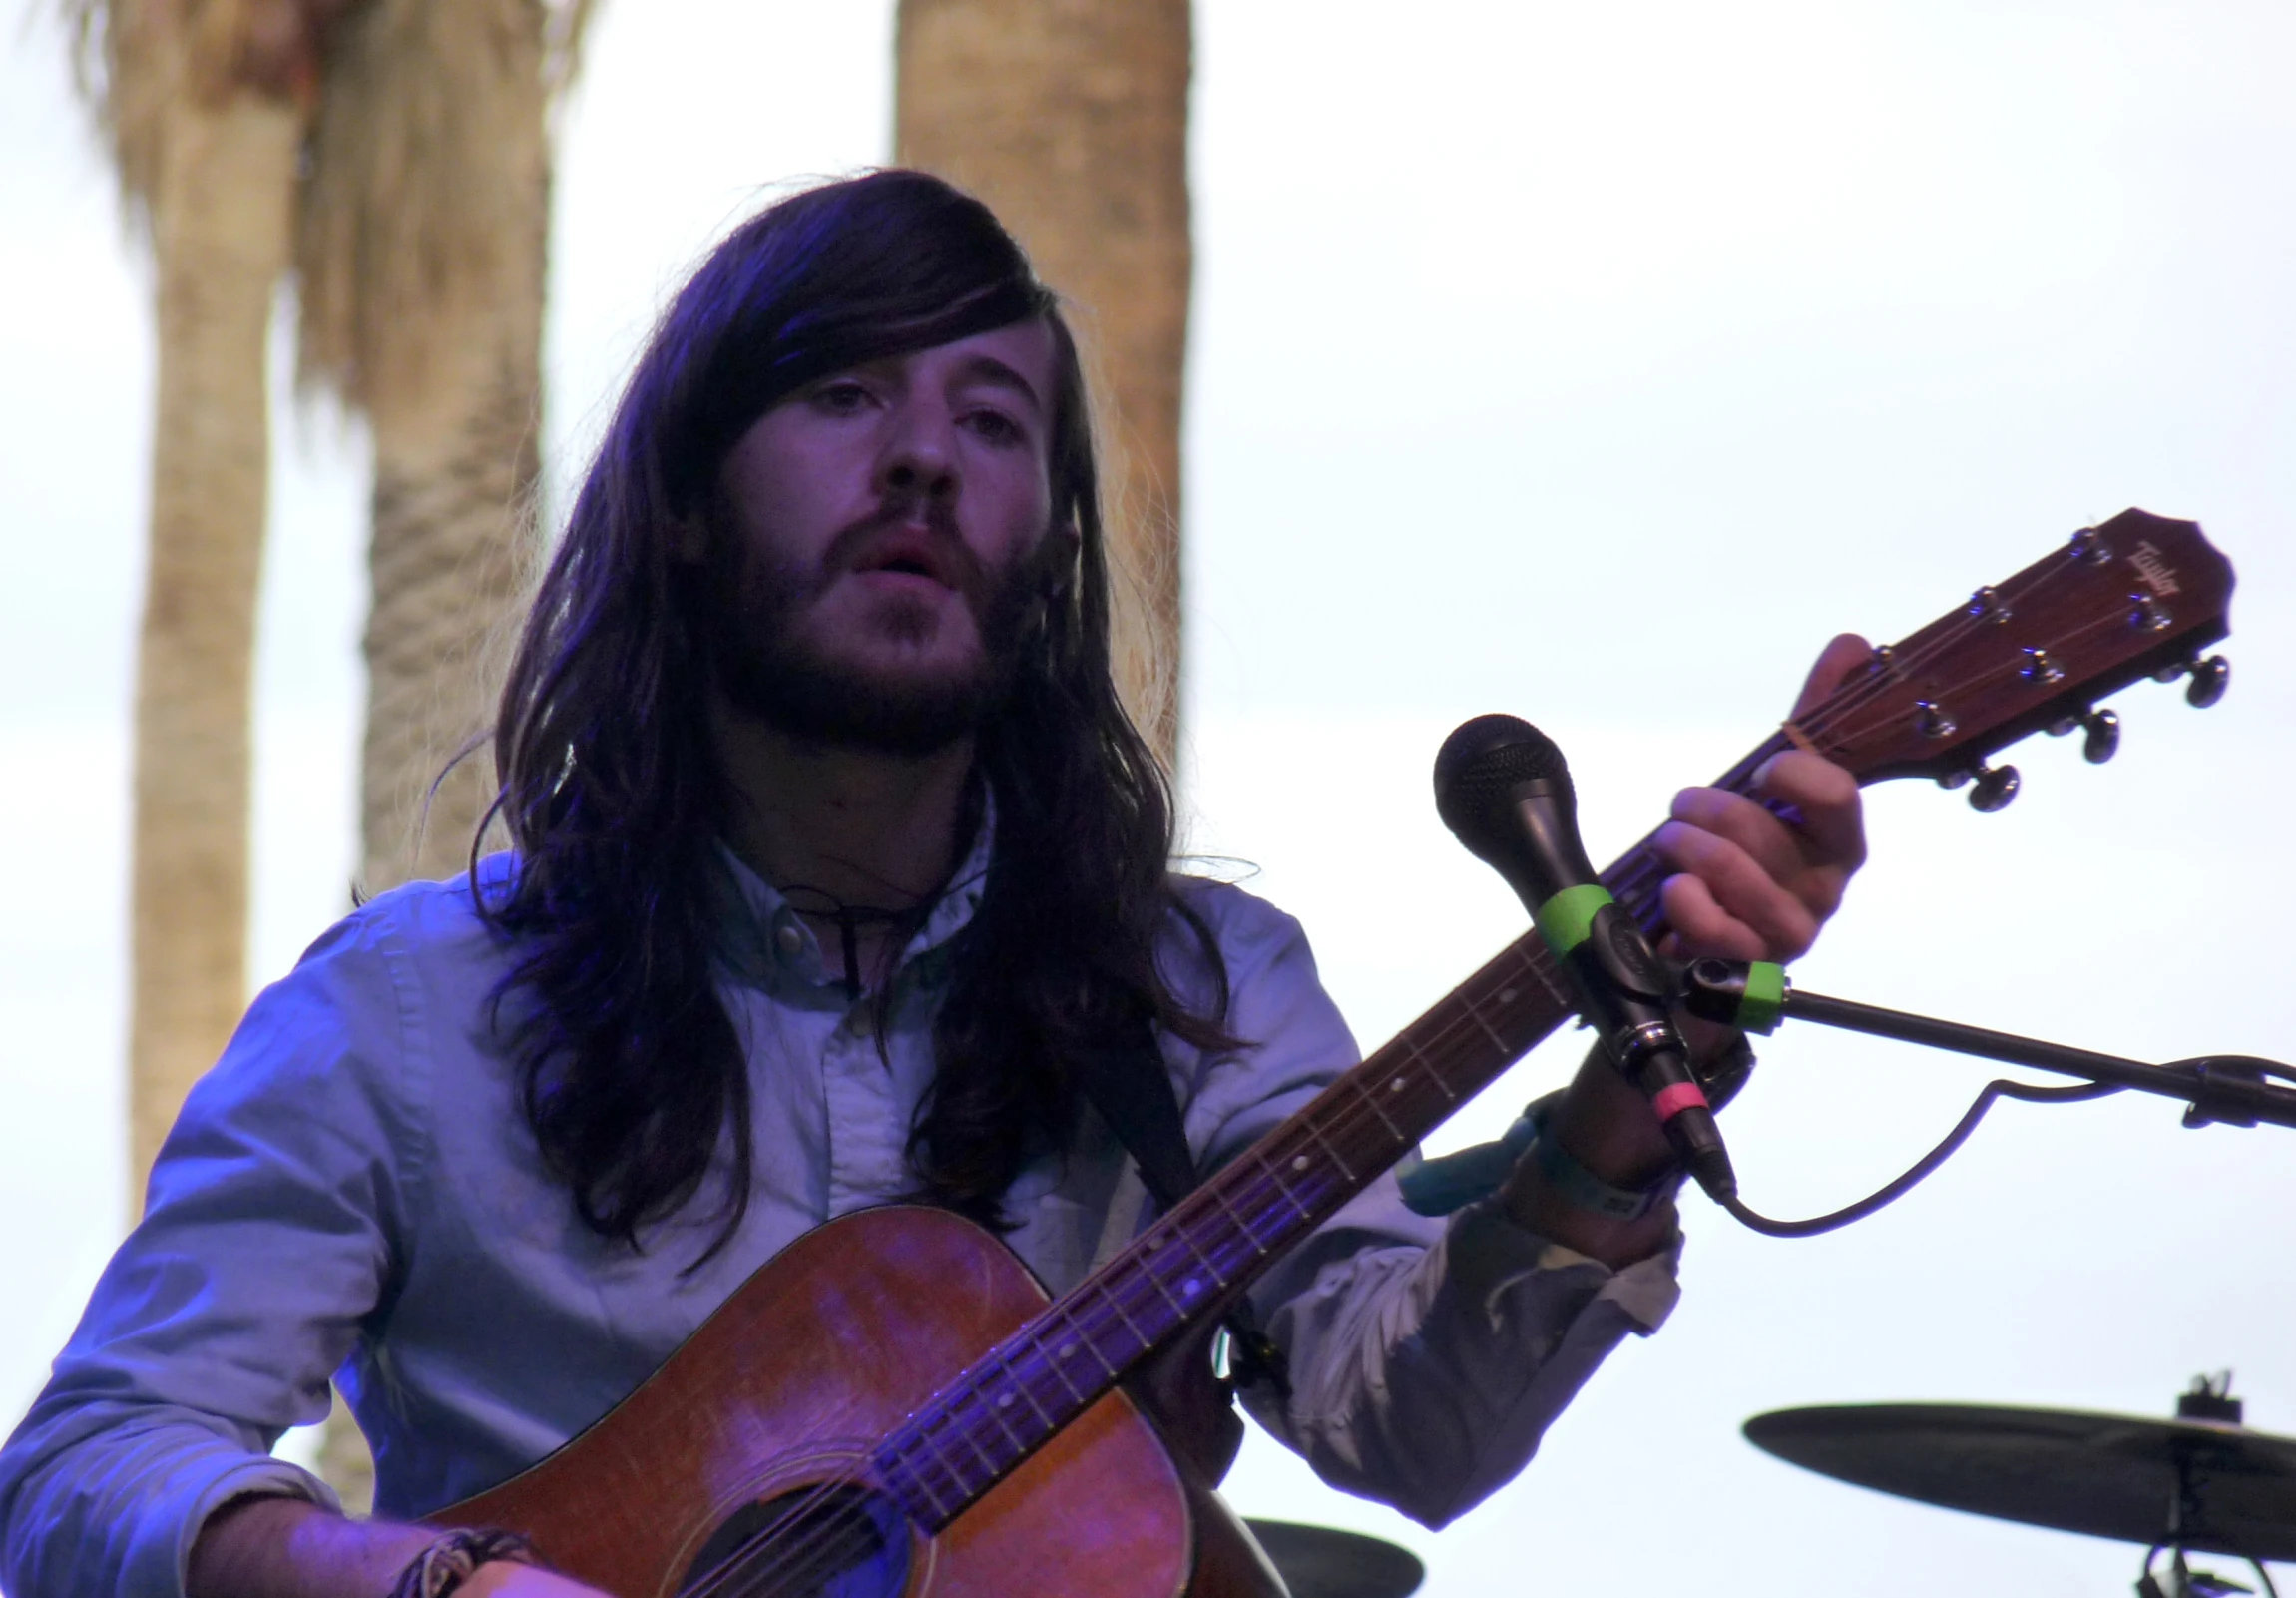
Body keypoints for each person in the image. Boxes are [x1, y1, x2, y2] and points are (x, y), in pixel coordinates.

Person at [0, 170, 1868, 1598]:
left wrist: (1626, 1115)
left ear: (1043, 546)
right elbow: (87, 1459)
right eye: (842, 397)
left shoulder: (1196, 992)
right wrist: (421, 1580)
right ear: (681, 500)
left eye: (991, 423)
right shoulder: (407, 1014)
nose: (921, 461)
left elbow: (1413, 1430)